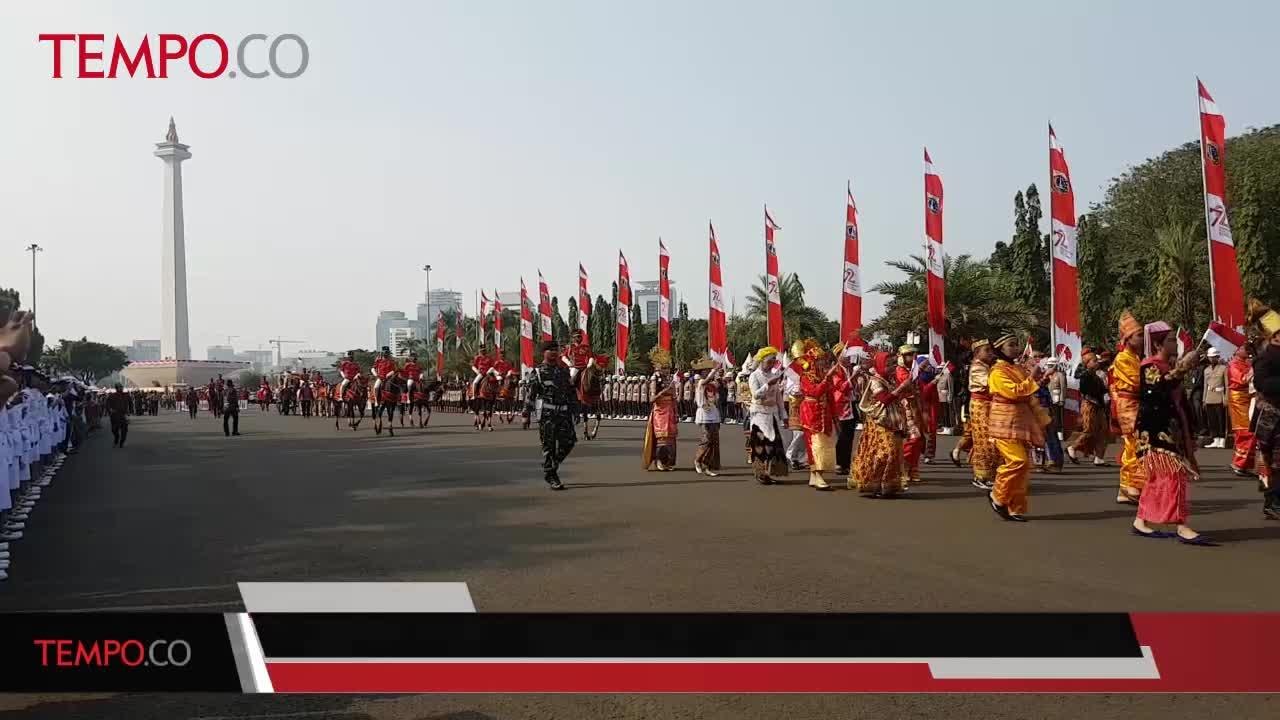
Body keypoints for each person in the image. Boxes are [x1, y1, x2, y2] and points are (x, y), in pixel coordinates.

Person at [1130, 321, 1211, 544]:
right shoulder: (1149, 365)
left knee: (1159, 477)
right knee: (1174, 475)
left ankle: (1140, 520)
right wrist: (1182, 369)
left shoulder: (1168, 365)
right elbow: (1155, 391)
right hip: (1156, 429)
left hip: (1172, 427)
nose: (1175, 343)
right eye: (1170, 340)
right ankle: (1181, 525)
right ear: (1158, 345)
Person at [987, 333, 1049, 522]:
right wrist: (1032, 378)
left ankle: (1015, 508)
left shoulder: (1016, 368)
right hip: (1004, 423)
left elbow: (1026, 391)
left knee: (1023, 468)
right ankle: (997, 495)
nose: (1016, 348)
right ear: (1000, 350)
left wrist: (1039, 381)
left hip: (1021, 421)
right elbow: (1014, 392)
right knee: (1017, 461)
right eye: (1011, 345)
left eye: (1016, 345)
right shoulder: (997, 372)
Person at [851, 350, 913, 497]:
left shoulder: (891, 380)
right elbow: (884, 399)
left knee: (894, 452)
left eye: (893, 364)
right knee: (884, 453)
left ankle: (887, 486)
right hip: (880, 423)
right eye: (888, 364)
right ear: (880, 365)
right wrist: (901, 388)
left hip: (893, 420)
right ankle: (875, 484)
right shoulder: (875, 381)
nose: (892, 367)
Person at [524, 341, 577, 490]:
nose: (554, 352)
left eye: (556, 350)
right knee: (549, 446)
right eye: (550, 350)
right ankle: (551, 474)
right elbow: (531, 395)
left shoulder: (563, 371)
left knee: (569, 441)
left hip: (563, 413)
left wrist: (575, 409)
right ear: (544, 353)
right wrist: (526, 414)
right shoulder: (538, 372)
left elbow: (571, 392)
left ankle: (552, 466)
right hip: (547, 414)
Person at [797, 341, 846, 491]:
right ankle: (818, 474)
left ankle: (815, 476)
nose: (823, 363)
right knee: (815, 446)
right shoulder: (805, 377)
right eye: (820, 360)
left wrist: (836, 417)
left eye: (824, 360)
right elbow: (815, 392)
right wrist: (826, 380)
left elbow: (830, 397)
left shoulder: (824, 376)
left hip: (825, 414)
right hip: (811, 414)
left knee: (825, 445)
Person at [1247, 300, 1280, 520]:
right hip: (1272, 417)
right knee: (1273, 462)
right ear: (1274, 336)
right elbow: (1261, 383)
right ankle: (1272, 502)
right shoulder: (1265, 357)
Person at [1112, 311, 1146, 504]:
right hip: (1128, 404)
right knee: (1134, 443)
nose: (1142, 339)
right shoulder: (1123, 358)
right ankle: (1132, 484)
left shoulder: (1136, 357)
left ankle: (1126, 486)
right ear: (1128, 338)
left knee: (1133, 443)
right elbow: (1137, 381)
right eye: (1139, 335)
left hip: (1136, 403)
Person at [746, 347, 789, 484]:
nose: (771, 365)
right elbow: (755, 394)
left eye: (773, 362)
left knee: (773, 446)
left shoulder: (773, 375)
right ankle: (760, 474)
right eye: (769, 362)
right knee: (761, 446)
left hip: (772, 415)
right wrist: (767, 385)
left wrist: (784, 416)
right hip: (759, 415)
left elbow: (778, 398)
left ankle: (770, 473)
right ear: (761, 361)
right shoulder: (754, 376)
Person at [1068, 349, 1110, 466]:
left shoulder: (1097, 376)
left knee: (1103, 431)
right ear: (1087, 363)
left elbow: (1103, 390)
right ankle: (1073, 447)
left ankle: (1099, 457)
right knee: (1089, 430)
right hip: (1090, 405)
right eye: (1094, 361)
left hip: (1099, 406)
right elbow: (1086, 391)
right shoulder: (1085, 376)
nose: (1097, 363)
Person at [834, 346, 869, 475]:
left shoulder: (848, 369)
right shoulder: (836, 370)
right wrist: (853, 376)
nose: (849, 358)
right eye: (846, 355)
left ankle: (846, 464)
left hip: (851, 405)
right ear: (839, 356)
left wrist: (857, 377)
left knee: (850, 436)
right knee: (843, 436)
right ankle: (839, 463)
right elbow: (841, 387)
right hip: (841, 407)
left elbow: (853, 388)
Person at [643, 349, 680, 471]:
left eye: (668, 368)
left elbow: (674, 398)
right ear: (659, 368)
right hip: (660, 411)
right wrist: (664, 391)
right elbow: (652, 399)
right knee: (661, 438)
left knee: (670, 438)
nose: (666, 370)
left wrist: (676, 412)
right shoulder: (655, 379)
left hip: (670, 411)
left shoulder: (670, 380)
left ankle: (667, 462)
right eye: (664, 368)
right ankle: (658, 461)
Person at [895, 345, 926, 483]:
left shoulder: (913, 370)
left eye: (913, 355)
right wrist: (919, 371)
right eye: (909, 355)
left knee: (918, 440)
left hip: (916, 407)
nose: (912, 357)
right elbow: (907, 383)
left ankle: (914, 468)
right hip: (905, 407)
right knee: (911, 439)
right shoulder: (900, 370)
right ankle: (904, 468)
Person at [1227, 345, 1256, 477]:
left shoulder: (1247, 362)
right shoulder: (1233, 364)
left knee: (1250, 431)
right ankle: (1239, 464)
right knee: (1246, 431)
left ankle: (1243, 464)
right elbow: (1243, 379)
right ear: (1236, 350)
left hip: (1248, 396)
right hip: (1238, 398)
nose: (1248, 350)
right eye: (1244, 348)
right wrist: (1255, 368)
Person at [693, 361, 724, 476]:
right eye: (705, 371)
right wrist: (714, 370)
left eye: (708, 370)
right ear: (701, 373)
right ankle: (698, 460)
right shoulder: (701, 382)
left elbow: (719, 386)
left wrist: (719, 376)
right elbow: (706, 380)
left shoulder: (712, 385)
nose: (707, 372)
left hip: (713, 413)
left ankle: (707, 465)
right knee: (706, 439)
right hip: (704, 414)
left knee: (713, 441)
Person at [1035, 359, 1065, 472]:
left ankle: (1054, 462)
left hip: (1046, 409)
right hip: (1034, 411)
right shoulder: (1028, 379)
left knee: (1050, 435)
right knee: (1037, 437)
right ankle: (1039, 463)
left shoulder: (1055, 377)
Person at [915, 356, 940, 464]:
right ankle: (921, 452)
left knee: (931, 431)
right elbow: (923, 393)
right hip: (923, 407)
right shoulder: (918, 378)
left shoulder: (932, 375)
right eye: (924, 365)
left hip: (933, 407)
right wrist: (932, 383)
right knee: (921, 431)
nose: (928, 366)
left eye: (928, 364)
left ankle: (929, 455)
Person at [1202, 347, 1227, 448]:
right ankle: (1215, 439)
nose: (1212, 359)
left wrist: (1226, 398)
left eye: (1214, 357)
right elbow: (1205, 385)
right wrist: (1204, 399)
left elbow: (1226, 384)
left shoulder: (1223, 368)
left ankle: (1222, 439)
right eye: (1210, 357)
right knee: (1212, 420)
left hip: (1219, 396)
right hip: (1209, 396)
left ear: (1217, 357)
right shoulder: (1206, 370)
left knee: (1221, 419)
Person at [106, 383, 131, 448]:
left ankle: (122, 442)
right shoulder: (112, 396)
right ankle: (116, 438)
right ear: (116, 388)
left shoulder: (126, 395)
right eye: (120, 387)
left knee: (124, 430)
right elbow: (107, 404)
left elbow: (130, 403)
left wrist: (129, 411)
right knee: (114, 430)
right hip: (115, 415)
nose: (121, 388)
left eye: (121, 387)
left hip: (123, 415)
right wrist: (110, 410)